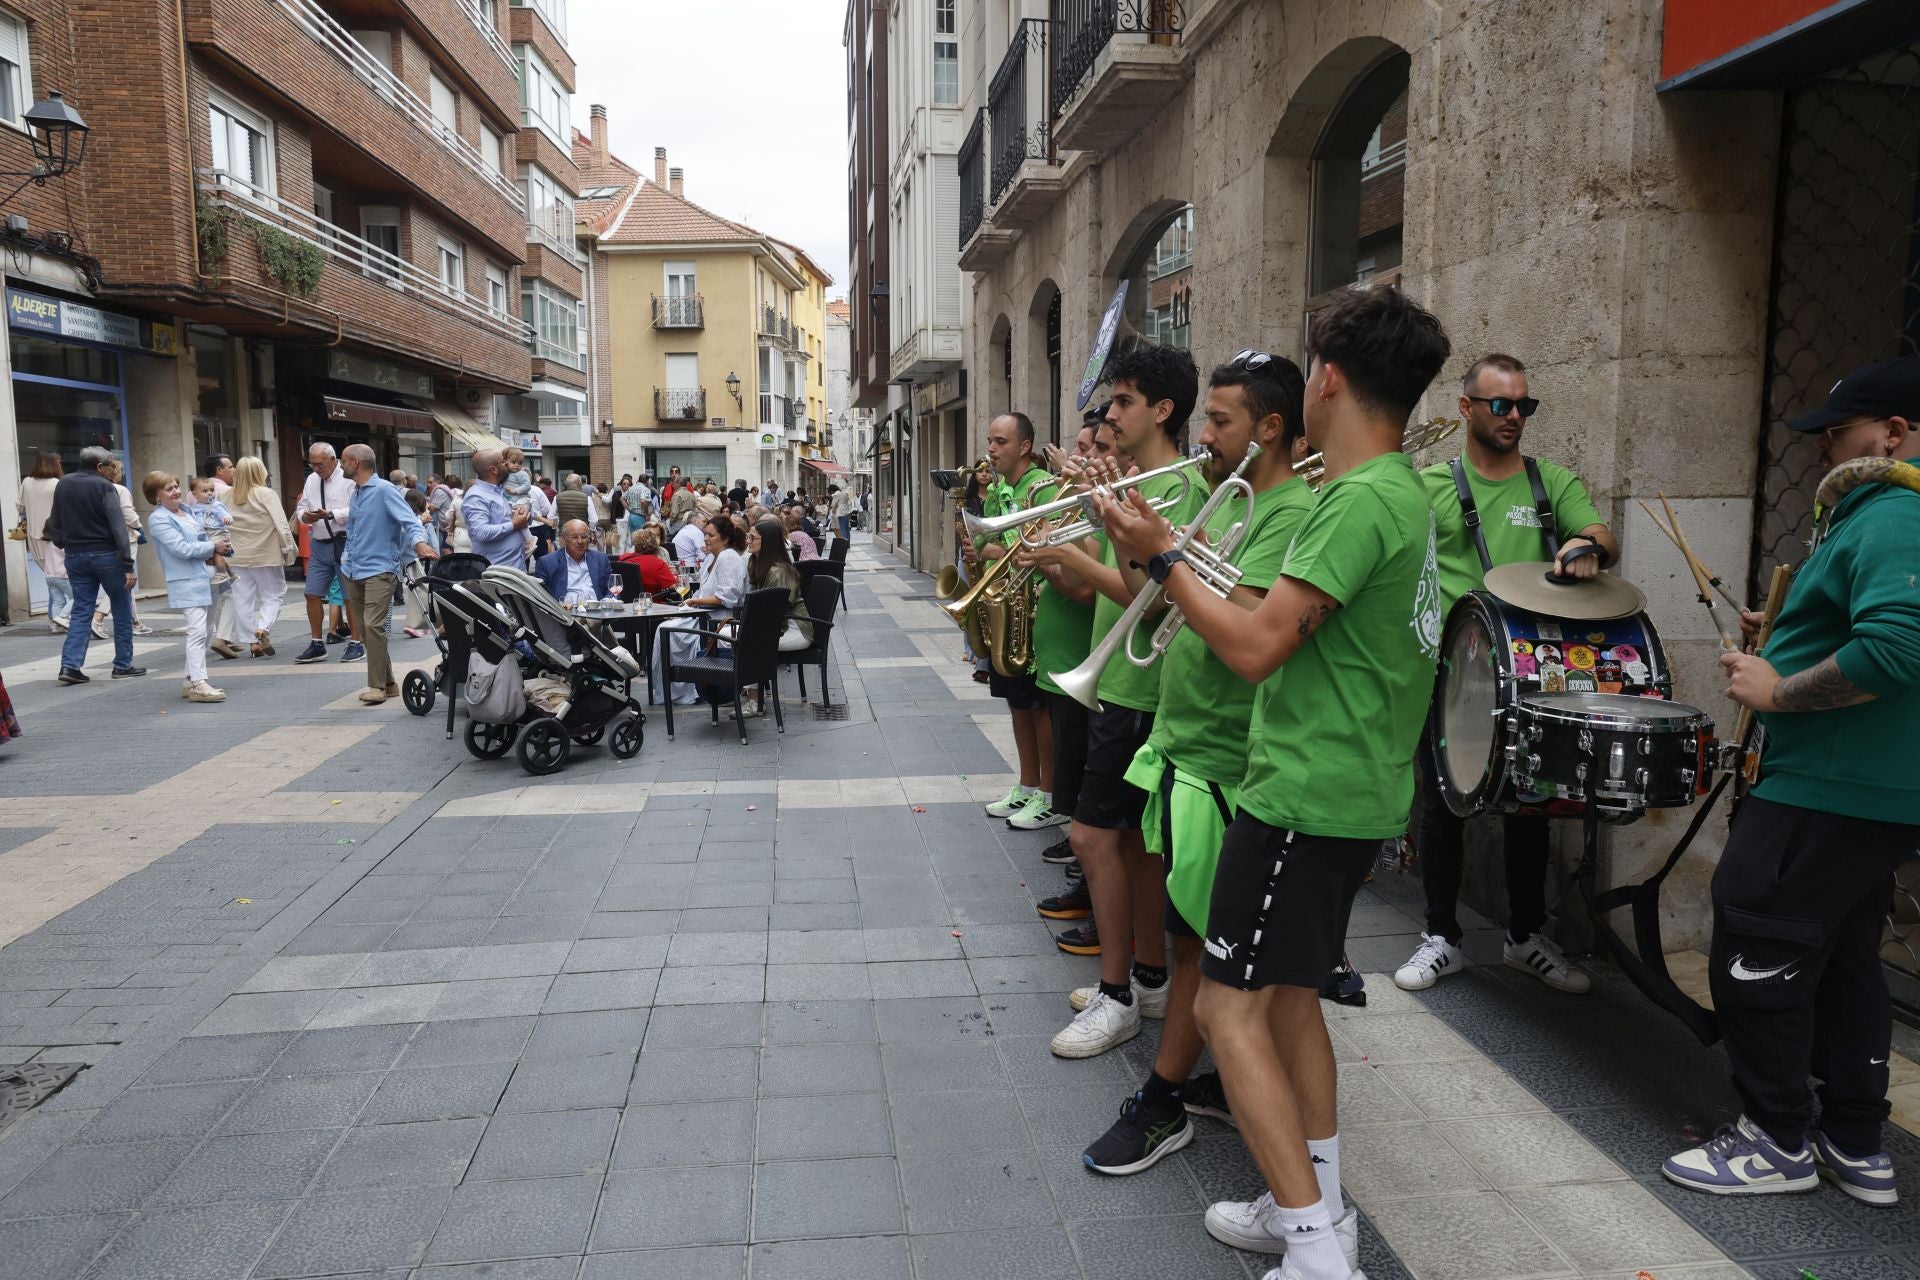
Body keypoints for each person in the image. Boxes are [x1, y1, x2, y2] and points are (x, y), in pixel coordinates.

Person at [1101, 285, 1451, 1280]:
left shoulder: (1355, 499)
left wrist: (1162, 553)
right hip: (1346, 791)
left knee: (1225, 1008)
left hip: (1303, 794)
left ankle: (1314, 1252)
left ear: (1329, 380)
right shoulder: (1404, 492)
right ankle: (1316, 1208)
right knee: (1289, 1001)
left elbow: (1254, 646)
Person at [1662, 357, 1920, 1205]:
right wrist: (1786, 630)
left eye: (1837, 432)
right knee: (1846, 958)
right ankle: (1854, 1140)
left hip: (1828, 786)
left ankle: (1775, 1139)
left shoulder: (1894, 514)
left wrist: (1775, 688)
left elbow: (1897, 648)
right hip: (1862, 790)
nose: (1822, 451)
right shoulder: (1878, 518)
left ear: (1896, 433)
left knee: (1757, 939)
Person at [1081, 351, 1319, 1176]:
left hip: (1224, 756)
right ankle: (1201, 1086)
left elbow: (1242, 633)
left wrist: (1168, 556)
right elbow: (1149, 595)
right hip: (1181, 746)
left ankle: (1162, 1102)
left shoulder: (1289, 514)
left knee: (1199, 952)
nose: (1205, 437)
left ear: (1270, 428)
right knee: (1196, 946)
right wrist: (1134, 541)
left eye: (1219, 422)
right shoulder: (1232, 501)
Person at [1393, 352, 1619, 995]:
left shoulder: (1552, 483)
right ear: (1466, 409)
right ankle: (1440, 936)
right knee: (1442, 806)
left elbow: (1599, 531)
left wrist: (1586, 546)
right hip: (1453, 669)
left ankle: (1525, 937)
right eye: (1501, 404)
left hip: (1534, 671)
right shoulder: (1431, 485)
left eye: (1525, 405)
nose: (1515, 416)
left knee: (1531, 805)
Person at [1017, 348, 1208, 1054]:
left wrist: (1074, 556)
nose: (1109, 415)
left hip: (1141, 690)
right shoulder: (1135, 480)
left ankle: (1118, 993)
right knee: (1132, 849)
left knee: (1095, 839)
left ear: (1161, 410)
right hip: (1118, 687)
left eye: (1123, 401)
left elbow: (1150, 596)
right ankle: (1149, 977)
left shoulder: (1180, 488)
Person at [1032, 410, 1119, 915]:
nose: (1084, 458)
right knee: (1083, 800)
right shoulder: (1093, 502)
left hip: (1100, 668)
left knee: (1101, 813)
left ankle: (1095, 899)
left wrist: (1057, 558)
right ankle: (1086, 884)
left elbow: (1088, 589)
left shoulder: (1122, 501)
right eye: (1084, 448)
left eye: (1094, 449)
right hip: (1074, 665)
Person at [972, 414, 1063, 832]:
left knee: (1038, 705)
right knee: (1016, 703)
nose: (991, 449)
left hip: (1038, 608)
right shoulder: (997, 490)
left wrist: (993, 551)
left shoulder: (1042, 486)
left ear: (1024, 446)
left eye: (1001, 441)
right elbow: (982, 540)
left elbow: (1036, 544)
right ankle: (1027, 784)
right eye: (990, 440)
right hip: (1009, 607)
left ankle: (1048, 792)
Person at [337, 443, 437, 704]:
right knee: (367, 628)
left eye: (344, 460)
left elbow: (410, 520)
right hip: (353, 568)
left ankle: (377, 686)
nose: (340, 464)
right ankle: (390, 682)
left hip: (380, 570)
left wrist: (420, 543)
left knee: (373, 626)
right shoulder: (356, 492)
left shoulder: (384, 490)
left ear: (356, 463)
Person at [49, 446, 145, 685]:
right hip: (107, 555)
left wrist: (62, 540)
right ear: (99, 466)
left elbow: (55, 519)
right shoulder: (104, 486)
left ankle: (70, 665)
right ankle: (123, 664)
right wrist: (127, 563)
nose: (112, 469)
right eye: (110, 465)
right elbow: (118, 526)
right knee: (122, 608)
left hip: (75, 555)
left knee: (81, 609)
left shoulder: (64, 483)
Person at [144, 471, 232, 703]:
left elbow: (204, 538)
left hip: (207, 575)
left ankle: (189, 678)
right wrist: (213, 546)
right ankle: (198, 683)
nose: (175, 491)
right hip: (186, 579)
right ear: (156, 496)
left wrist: (220, 548)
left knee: (207, 629)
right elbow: (181, 549)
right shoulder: (159, 518)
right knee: (197, 631)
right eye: (169, 488)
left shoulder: (189, 510)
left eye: (176, 486)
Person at [657, 515, 749, 704]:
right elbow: (702, 590)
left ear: (725, 539)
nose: (705, 538)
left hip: (719, 620)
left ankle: (685, 689)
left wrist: (693, 603)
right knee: (664, 626)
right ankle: (671, 689)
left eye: (711, 535)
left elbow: (728, 598)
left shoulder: (729, 558)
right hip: (703, 615)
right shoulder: (710, 558)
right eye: (704, 534)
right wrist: (688, 604)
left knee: (666, 631)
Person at [292, 442, 362, 664]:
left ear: (333, 460)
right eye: (311, 464)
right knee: (311, 593)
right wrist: (306, 516)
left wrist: (332, 514)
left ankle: (356, 642)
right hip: (320, 543)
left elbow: (359, 509)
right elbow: (301, 506)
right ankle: (316, 643)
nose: (316, 469)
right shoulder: (312, 479)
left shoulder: (349, 478)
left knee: (349, 595)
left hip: (344, 542)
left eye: (320, 464)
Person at [225, 456, 296, 657]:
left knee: (242, 598)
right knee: (274, 593)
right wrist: (289, 549)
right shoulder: (266, 494)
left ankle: (251, 641)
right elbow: (281, 524)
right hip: (266, 553)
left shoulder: (226, 495)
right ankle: (263, 628)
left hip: (236, 555)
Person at [186, 475, 245, 661]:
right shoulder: (191, 510)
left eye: (211, 490)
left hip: (215, 539)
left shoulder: (215, 506)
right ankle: (218, 640)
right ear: (194, 494)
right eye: (205, 491)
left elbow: (226, 516)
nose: (210, 493)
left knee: (221, 598)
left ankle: (221, 639)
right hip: (208, 548)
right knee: (224, 597)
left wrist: (227, 519)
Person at [18, 450, 70, 632]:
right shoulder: (57, 483)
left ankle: (55, 619)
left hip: (34, 537)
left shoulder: (27, 482)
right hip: (54, 535)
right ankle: (59, 617)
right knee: (60, 578)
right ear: (54, 464)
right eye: (59, 462)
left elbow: (21, 508)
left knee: (51, 578)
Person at [101, 459, 153, 638]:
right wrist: (139, 526)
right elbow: (128, 515)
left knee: (124, 582)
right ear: (113, 470)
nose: (122, 473)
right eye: (121, 469)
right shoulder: (119, 490)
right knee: (124, 580)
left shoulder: (92, 489)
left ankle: (134, 622)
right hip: (124, 538)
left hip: (102, 540)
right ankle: (98, 617)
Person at [747, 517, 813, 652]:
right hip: (775, 626)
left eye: (752, 538)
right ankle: (746, 672)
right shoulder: (755, 562)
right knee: (725, 635)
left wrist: (757, 633)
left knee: (734, 640)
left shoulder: (778, 572)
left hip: (794, 630)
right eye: (748, 536)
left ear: (766, 542)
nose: (748, 541)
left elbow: (778, 611)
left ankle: (747, 673)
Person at [463, 449, 532, 569]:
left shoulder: (497, 491)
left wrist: (524, 515)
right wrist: (514, 524)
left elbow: (506, 519)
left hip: (513, 567)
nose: (507, 464)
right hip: (497, 572)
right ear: (494, 469)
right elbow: (482, 532)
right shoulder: (476, 496)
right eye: (503, 462)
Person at [535, 519, 613, 604]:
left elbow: (613, 589)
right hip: (566, 613)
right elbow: (540, 597)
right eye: (574, 537)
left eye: (584, 537)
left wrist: (605, 603)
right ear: (564, 539)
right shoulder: (547, 563)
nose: (580, 541)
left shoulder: (600, 559)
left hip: (597, 611)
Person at [617, 528, 679, 595]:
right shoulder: (658, 564)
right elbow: (673, 586)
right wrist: (669, 573)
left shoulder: (622, 559)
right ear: (655, 545)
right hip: (651, 602)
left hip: (626, 602)